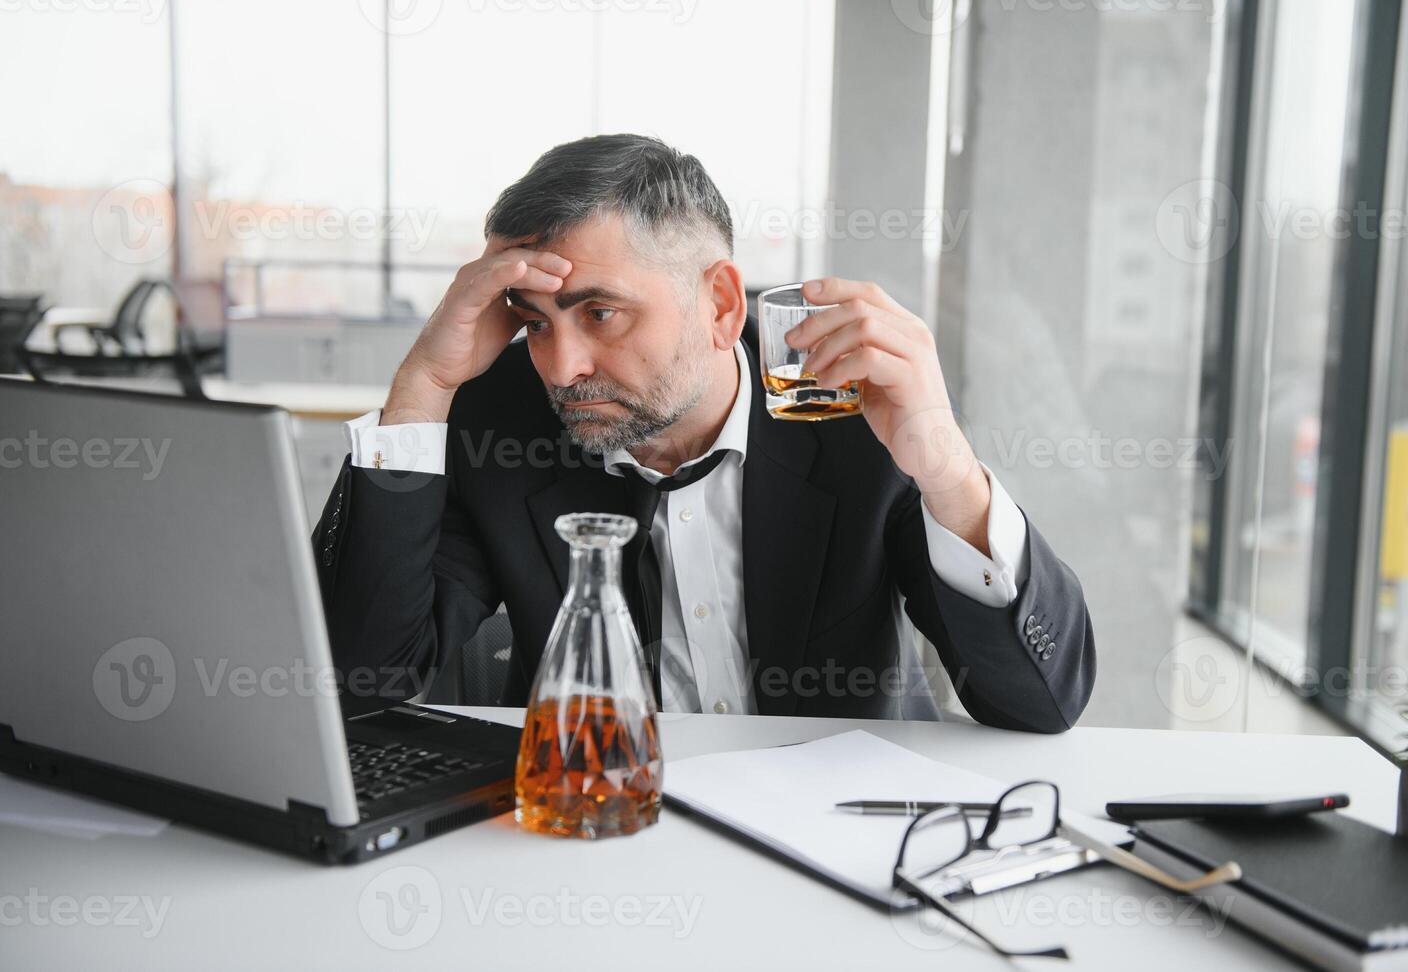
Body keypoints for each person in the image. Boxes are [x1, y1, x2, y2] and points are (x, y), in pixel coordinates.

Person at [312, 133, 1094, 730]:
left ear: (721, 305)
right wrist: (420, 389)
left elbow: (1040, 704)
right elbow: (359, 687)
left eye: (600, 312)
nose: (559, 366)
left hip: (844, 833)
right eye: (533, 322)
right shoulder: (500, 420)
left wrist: (950, 475)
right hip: (596, 835)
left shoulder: (850, 409)